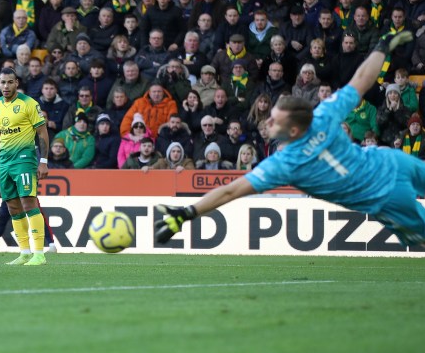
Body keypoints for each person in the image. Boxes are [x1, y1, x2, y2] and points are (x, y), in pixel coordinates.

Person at [156, 31, 425, 249]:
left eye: (275, 120)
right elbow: (362, 80)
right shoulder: (323, 115)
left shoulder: (285, 164)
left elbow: (231, 191)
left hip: (387, 197)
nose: (268, 122)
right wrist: (381, 46)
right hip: (392, 160)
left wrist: (188, 212)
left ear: (293, 131)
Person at [0, 68, 51, 266]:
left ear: (16, 83)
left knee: (29, 203)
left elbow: (43, 133)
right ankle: (25, 252)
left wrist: (43, 161)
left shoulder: (29, 104)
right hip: (4, 162)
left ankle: (39, 254)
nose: (6, 86)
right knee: (12, 206)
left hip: (25, 159)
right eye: (3, 82)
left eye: (10, 82)